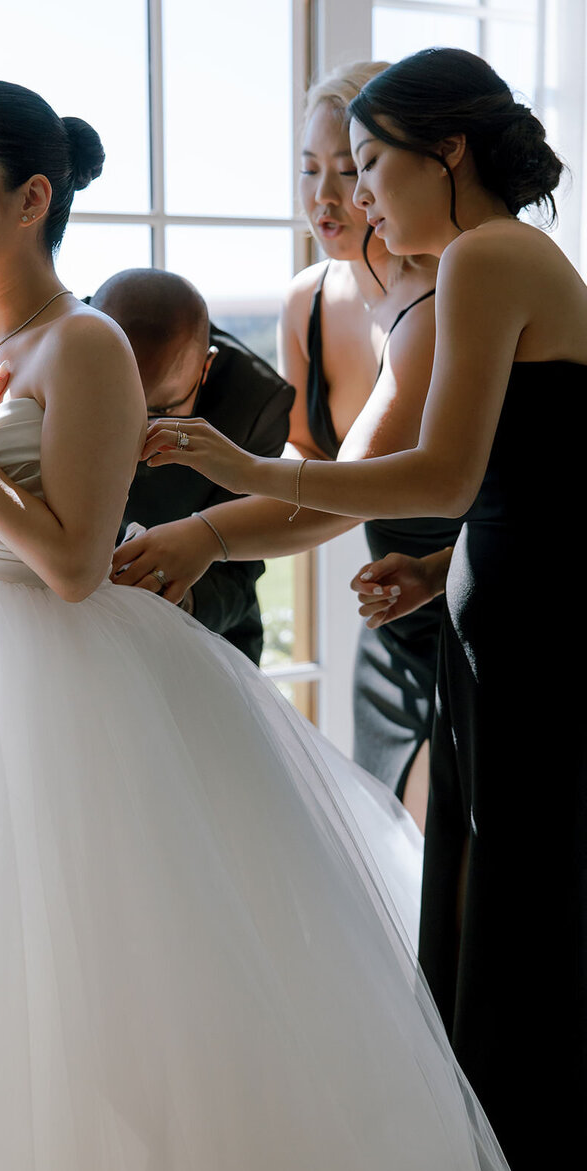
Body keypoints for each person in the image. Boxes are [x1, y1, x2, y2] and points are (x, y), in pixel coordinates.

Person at [0, 78, 524, 1171]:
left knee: (90, 995)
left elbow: (77, 566)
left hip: (62, 696)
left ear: (32, 195)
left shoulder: (82, 347)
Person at [143, 47, 587, 1171]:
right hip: (506, 608)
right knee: (504, 901)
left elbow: (436, 471)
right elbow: (543, 481)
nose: (356, 196)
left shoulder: (487, 257)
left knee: (514, 916)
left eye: (368, 164)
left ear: (443, 155)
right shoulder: (508, 259)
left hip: (532, 635)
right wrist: (443, 569)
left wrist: (246, 469)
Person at [112, 62, 461, 827]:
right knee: (392, 853)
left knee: (451, 868)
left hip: (468, 590)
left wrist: (202, 534)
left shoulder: (442, 299)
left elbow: (350, 490)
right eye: (309, 170)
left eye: (351, 168)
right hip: (394, 613)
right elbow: (308, 460)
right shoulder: (307, 299)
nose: (326, 197)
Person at [89, 268, 293, 663]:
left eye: (161, 411)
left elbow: (240, 566)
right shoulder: (56, 338)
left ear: (205, 368)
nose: (134, 434)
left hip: (206, 641)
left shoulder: (256, 406)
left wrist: (176, 600)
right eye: (114, 404)